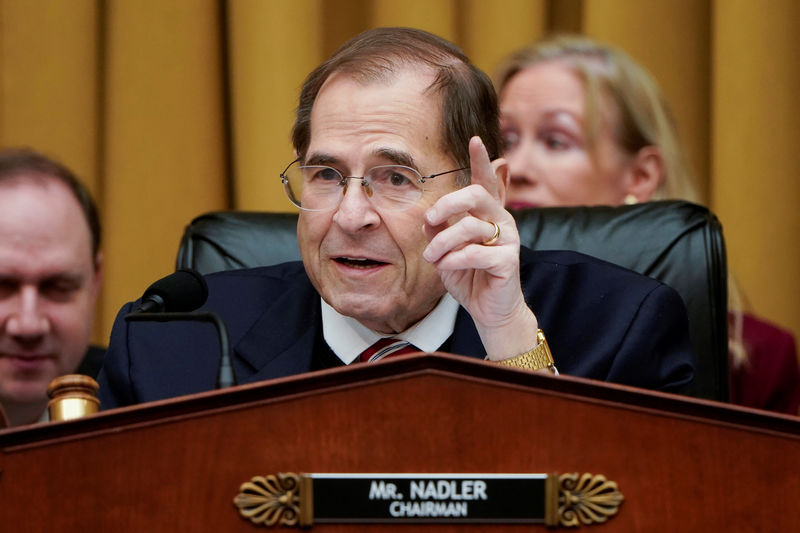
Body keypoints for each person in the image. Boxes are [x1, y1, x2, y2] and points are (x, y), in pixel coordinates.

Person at [97, 27, 694, 409]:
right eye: (326, 175)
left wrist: (509, 340)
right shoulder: (170, 349)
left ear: (486, 190)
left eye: (395, 178)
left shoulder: (620, 331)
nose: (351, 216)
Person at [494, 34, 800, 414]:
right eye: (504, 140)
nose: (516, 169)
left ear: (640, 175)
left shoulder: (756, 358)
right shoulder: (441, 313)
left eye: (556, 141)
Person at [0, 148, 104, 426]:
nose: (28, 325)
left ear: (95, 282)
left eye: (57, 287)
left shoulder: (149, 406)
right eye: (2, 287)